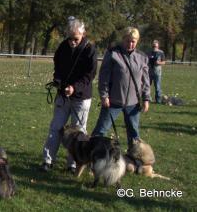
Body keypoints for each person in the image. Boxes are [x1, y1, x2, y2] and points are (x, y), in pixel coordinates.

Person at [40, 18, 97, 173]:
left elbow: (89, 75)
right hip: (63, 96)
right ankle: (47, 160)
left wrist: (74, 88)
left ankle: (73, 164)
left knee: (78, 132)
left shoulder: (90, 49)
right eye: (70, 38)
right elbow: (57, 66)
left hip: (81, 97)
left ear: (83, 34)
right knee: (56, 128)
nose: (72, 42)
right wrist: (58, 81)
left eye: (75, 39)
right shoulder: (63, 47)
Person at [92, 27, 150, 148]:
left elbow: (145, 81)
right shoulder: (113, 53)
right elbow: (104, 77)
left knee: (134, 134)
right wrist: (104, 95)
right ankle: (90, 156)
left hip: (133, 103)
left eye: (133, 41)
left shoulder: (142, 57)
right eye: (128, 40)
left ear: (137, 41)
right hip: (113, 101)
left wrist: (146, 99)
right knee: (101, 130)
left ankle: (134, 160)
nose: (130, 44)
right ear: (123, 39)